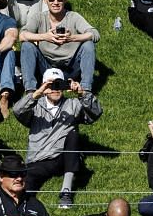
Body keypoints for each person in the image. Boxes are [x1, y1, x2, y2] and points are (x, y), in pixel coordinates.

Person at [14, 68, 100, 206]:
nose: (55, 89)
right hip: (39, 159)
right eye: (51, 85)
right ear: (44, 86)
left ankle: (66, 191)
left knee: (73, 135)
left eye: (58, 84)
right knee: (26, 191)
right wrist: (37, 93)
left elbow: (96, 113)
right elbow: (17, 111)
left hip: (62, 158)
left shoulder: (72, 104)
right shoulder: (35, 106)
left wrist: (82, 94)